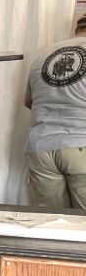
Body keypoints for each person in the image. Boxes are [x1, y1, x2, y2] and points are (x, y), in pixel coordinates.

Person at [23, 13, 86, 208]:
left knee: (51, 225)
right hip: (81, 144)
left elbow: (29, 102)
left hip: (41, 148)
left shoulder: (43, 55)